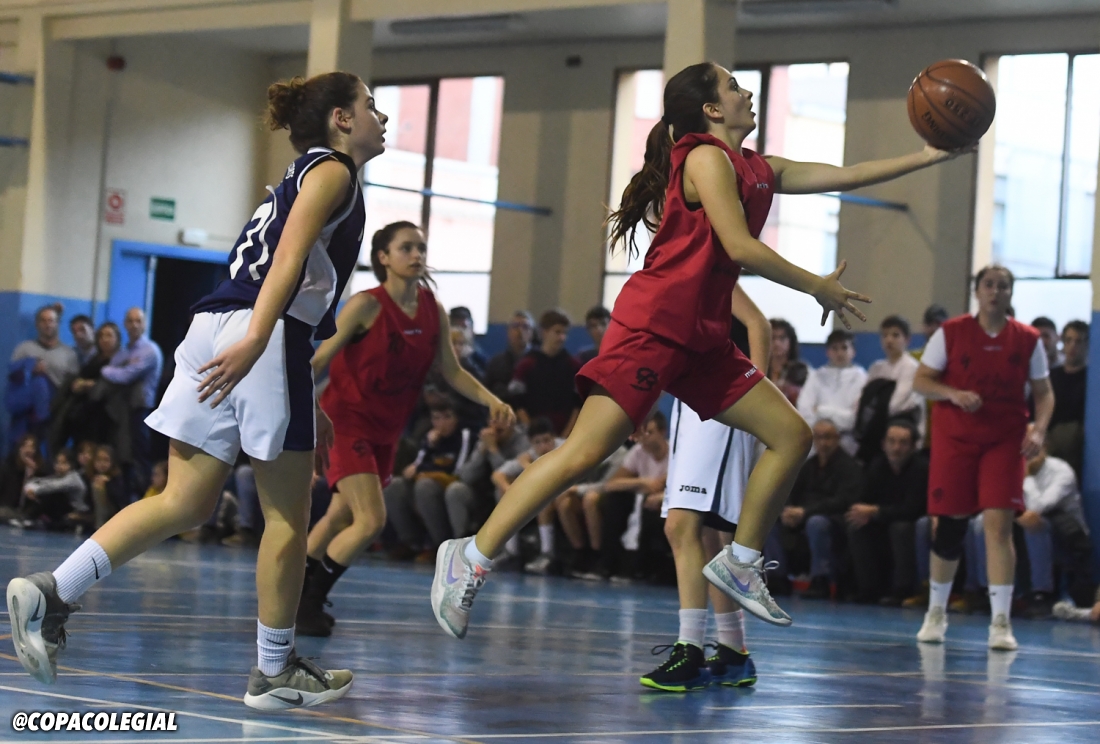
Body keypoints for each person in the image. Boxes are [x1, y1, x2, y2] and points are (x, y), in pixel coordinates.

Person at [431, 62, 962, 640]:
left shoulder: (756, 166)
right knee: (583, 454)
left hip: (703, 338)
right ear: (710, 109)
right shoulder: (705, 158)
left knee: (792, 435)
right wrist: (815, 285)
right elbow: (739, 245)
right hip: (655, 327)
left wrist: (929, 156)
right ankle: (470, 555)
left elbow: (846, 174)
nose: (746, 91)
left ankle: (740, 561)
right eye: (733, 86)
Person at [7, 71, 387, 708]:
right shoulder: (334, 172)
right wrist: (261, 340)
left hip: (212, 325)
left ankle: (52, 591)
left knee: (182, 500)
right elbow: (288, 261)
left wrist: (290, 379)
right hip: (263, 330)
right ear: (342, 119)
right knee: (288, 516)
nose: (382, 117)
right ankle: (273, 672)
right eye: (371, 106)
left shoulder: (300, 174)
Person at [297, 221, 513, 637]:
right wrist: (307, 405)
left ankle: (292, 587)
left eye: (421, 248)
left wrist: (492, 400)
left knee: (341, 514)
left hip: (386, 430)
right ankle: (309, 600)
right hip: (346, 422)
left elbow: (452, 370)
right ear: (383, 257)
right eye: (406, 248)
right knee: (369, 521)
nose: (416, 255)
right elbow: (318, 361)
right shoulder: (365, 306)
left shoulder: (433, 309)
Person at [914, 265, 1054, 652]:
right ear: (977, 291)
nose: (995, 291)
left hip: (1004, 440)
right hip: (956, 439)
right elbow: (921, 381)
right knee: (950, 527)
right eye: (989, 285)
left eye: (1003, 286)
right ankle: (936, 613)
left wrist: (1039, 429)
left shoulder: (1028, 339)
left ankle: (1001, 622)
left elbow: (1044, 393)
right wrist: (953, 393)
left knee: (999, 526)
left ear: (1011, 293)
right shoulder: (951, 333)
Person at [641, 285, 769, 691]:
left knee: (680, 527)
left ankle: (690, 651)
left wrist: (758, 398)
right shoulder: (669, 276)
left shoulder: (709, 268)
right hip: (689, 401)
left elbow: (759, 325)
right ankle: (733, 652)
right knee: (708, 534)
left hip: (722, 398)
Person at [776, 418, 865, 600]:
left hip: (834, 520)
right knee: (770, 520)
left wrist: (805, 512)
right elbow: (791, 491)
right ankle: (776, 576)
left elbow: (843, 501)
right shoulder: (808, 466)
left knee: (816, 523)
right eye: (818, 437)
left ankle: (821, 579)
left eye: (828, 437)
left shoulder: (849, 467)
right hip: (804, 516)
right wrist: (788, 511)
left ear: (837, 439)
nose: (823, 443)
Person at [845, 419, 927, 605]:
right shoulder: (877, 465)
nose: (896, 448)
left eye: (903, 443)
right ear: (883, 444)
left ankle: (902, 590)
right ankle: (867, 589)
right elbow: (863, 497)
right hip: (884, 519)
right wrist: (862, 512)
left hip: (911, 522)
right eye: (892, 441)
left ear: (913, 447)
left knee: (901, 528)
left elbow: (912, 509)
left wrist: (876, 511)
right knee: (856, 525)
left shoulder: (921, 468)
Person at [383, 400, 477, 558]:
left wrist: (424, 471)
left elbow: (457, 471)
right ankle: (411, 542)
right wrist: (429, 446)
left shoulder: (466, 436)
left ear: (457, 418)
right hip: (431, 485)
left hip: (460, 487)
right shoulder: (430, 437)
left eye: (447, 417)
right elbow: (414, 468)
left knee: (425, 485)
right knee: (394, 485)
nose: (441, 423)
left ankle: (440, 544)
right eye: (436, 418)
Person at [100, 308, 163, 498]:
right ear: (125, 324)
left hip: (141, 409)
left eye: (138, 321)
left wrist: (106, 370)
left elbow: (125, 375)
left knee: (140, 456)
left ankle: (144, 497)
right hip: (124, 410)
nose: (134, 325)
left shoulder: (149, 350)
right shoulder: (125, 351)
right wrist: (115, 369)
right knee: (124, 455)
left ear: (145, 324)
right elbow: (115, 366)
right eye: (130, 321)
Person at [488, 417, 563, 573]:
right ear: (531, 443)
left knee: (544, 500)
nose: (543, 446)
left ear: (554, 438)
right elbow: (497, 474)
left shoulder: (565, 449)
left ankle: (548, 554)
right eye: (537, 442)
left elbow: (553, 477)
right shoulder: (530, 454)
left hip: (574, 490)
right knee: (506, 493)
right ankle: (511, 552)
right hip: (550, 492)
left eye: (547, 440)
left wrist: (526, 465)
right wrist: (509, 490)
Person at [856, 315, 924, 462]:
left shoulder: (911, 367)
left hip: (901, 431)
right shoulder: (876, 368)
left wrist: (877, 402)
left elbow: (895, 405)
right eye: (885, 335)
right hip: (876, 432)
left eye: (895, 335)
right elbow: (863, 403)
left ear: (907, 340)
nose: (889, 340)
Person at [510, 309, 582, 436]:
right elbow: (517, 402)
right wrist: (534, 433)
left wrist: (566, 435)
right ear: (544, 332)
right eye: (557, 332)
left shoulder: (574, 365)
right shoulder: (526, 364)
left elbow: (578, 404)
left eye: (565, 333)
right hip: (532, 436)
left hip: (565, 435)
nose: (562, 337)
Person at [798, 329, 867, 455]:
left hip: (847, 445)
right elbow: (804, 411)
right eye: (834, 348)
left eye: (844, 348)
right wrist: (826, 426)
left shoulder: (862, 379)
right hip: (816, 444)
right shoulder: (816, 376)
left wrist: (821, 410)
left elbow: (853, 420)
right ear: (827, 352)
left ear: (853, 351)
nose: (839, 353)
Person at [1046, 320, 1088, 477]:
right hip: (1047, 437)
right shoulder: (1051, 376)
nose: (1072, 346)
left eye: (1078, 341)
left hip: (1076, 442)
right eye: (1068, 340)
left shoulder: (1091, 380)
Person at [20, 449, 88, 531]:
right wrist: (29, 488)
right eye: (57, 463)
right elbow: (41, 481)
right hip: (66, 510)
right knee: (46, 490)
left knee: (52, 493)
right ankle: (31, 518)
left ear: (71, 464)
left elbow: (54, 486)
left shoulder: (73, 478)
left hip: (77, 511)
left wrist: (34, 490)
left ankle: (30, 518)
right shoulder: (59, 476)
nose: (59, 466)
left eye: (64, 463)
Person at [484, 311, 535, 404]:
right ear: (508, 331)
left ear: (531, 332)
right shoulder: (496, 362)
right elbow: (487, 392)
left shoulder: (538, 361)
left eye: (525, 327)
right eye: (515, 326)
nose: (520, 331)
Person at [768, 319, 809, 405]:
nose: (777, 343)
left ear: (791, 341)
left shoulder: (802, 370)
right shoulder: (756, 367)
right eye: (772, 338)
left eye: (782, 338)